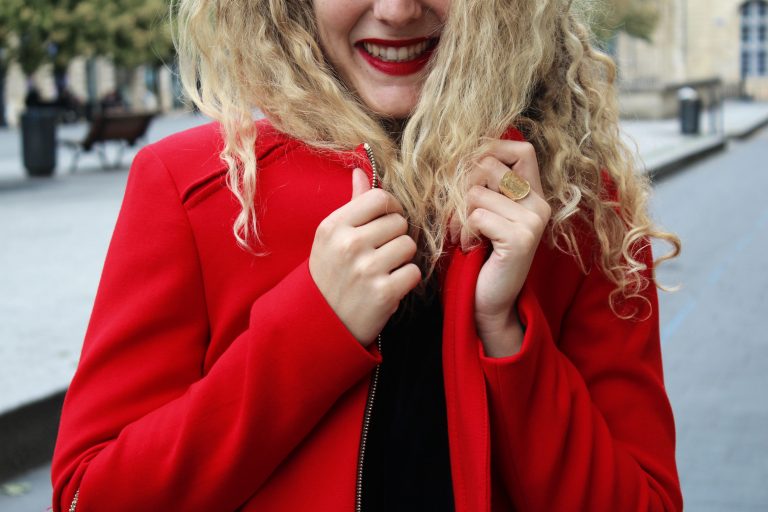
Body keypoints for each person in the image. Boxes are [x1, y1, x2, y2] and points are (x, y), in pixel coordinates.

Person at [51, 0, 684, 511]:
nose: (397, 10)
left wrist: (508, 333)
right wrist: (313, 329)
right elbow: (90, 495)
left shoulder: (580, 207)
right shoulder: (197, 188)